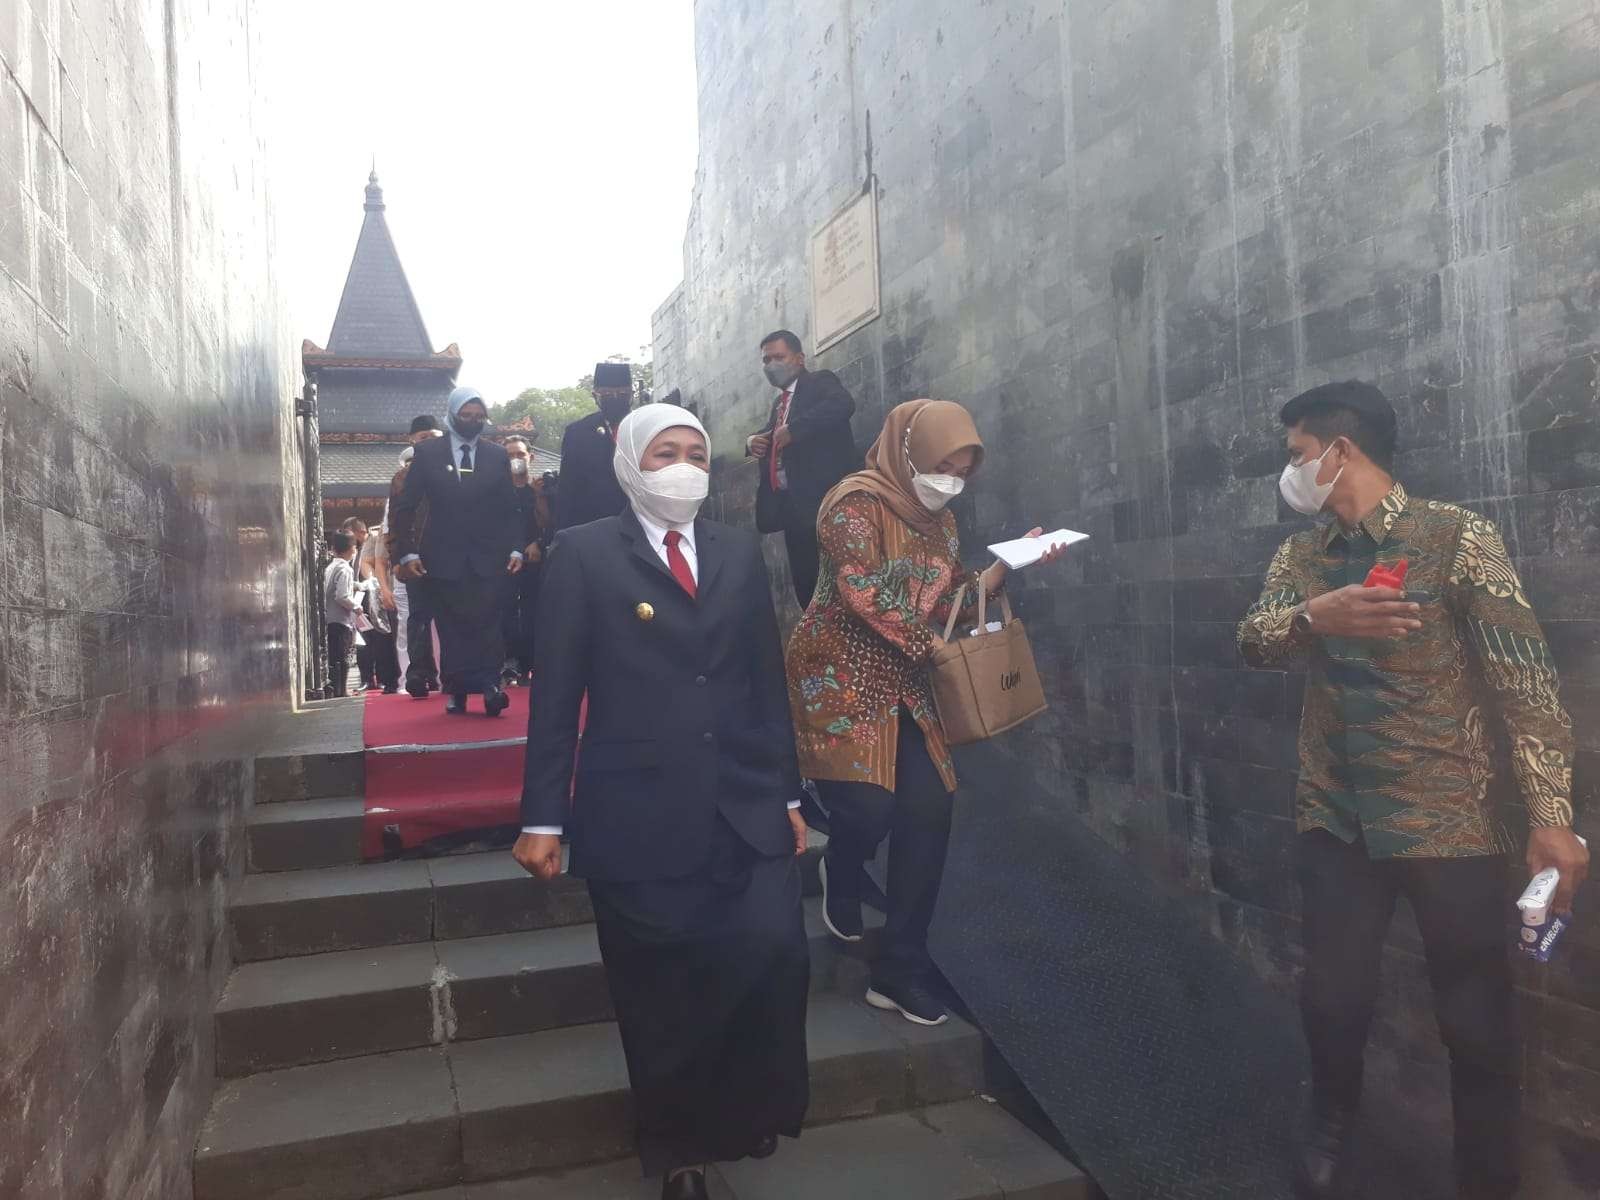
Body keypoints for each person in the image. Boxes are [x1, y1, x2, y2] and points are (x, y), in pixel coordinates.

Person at [1236, 381, 1588, 1200]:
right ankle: (1330, 1121)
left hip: (1450, 819)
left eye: (1297, 455)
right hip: (1337, 816)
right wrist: (1312, 618)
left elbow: (1525, 682)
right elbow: (1252, 638)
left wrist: (1551, 818)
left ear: (1340, 451)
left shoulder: (1456, 538)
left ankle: (1488, 1179)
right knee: (1331, 996)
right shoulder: (1302, 559)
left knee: (1477, 1022)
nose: (1292, 473)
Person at [514, 404, 810, 1200]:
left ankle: (747, 1109)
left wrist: (787, 792)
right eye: (665, 454)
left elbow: (763, 680)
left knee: (772, 950)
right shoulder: (581, 555)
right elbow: (556, 695)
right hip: (637, 813)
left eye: (697, 454)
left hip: (745, 800)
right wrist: (542, 816)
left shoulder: (738, 552)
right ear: (629, 464)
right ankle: (679, 1150)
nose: (684, 468)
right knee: (662, 992)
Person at [786, 399, 1064, 1028]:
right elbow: (864, 588)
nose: (950, 481)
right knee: (867, 808)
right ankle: (842, 861)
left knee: (930, 812)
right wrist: (932, 648)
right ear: (907, 450)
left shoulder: (942, 522)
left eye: (963, 471)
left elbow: (948, 601)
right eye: (942, 465)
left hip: (909, 683)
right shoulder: (851, 502)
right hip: (839, 677)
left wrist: (1001, 570)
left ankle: (900, 967)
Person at [390, 387, 525, 716]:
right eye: (467, 416)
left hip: (488, 555)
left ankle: (491, 686)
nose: (473, 422)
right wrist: (406, 553)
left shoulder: (495, 455)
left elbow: (511, 509)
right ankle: (458, 689)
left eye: (479, 417)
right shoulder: (428, 453)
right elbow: (405, 508)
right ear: (452, 415)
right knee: (452, 625)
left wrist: (517, 548)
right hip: (442, 555)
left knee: (487, 621)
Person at [747, 331, 859, 607]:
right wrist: (753, 441)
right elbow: (773, 433)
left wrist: (796, 430)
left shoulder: (820, 382)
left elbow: (842, 404)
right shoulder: (780, 403)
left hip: (826, 505)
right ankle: (816, 642)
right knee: (807, 587)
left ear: (799, 358)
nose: (771, 365)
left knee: (838, 584)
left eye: (779, 357)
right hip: (793, 511)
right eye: (766, 360)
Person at [387, 419, 445, 695]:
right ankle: (418, 673)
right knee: (418, 617)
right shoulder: (401, 478)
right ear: (411, 440)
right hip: (415, 556)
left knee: (452, 616)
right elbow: (395, 522)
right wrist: (398, 558)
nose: (427, 442)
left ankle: (452, 672)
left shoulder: (452, 470)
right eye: (423, 437)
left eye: (433, 437)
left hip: (450, 554)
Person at [555, 361, 633, 530]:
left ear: (631, 395)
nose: (614, 398)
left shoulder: (645, 426)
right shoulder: (577, 433)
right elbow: (567, 489)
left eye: (622, 393)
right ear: (595, 396)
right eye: (606, 393)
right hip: (593, 527)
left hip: (641, 525)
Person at [500, 435, 553, 684]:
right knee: (506, 612)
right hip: (505, 561)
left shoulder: (542, 491)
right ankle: (510, 662)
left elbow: (554, 524)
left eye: (520, 454)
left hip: (537, 560)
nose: (515, 459)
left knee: (535, 613)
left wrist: (538, 543)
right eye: (510, 455)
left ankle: (532, 663)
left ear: (530, 457)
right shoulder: (496, 494)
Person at [322, 531, 363, 698]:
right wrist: (356, 607)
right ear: (351, 549)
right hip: (340, 619)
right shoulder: (345, 568)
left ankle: (336, 689)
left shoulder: (331, 566)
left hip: (329, 617)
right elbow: (342, 596)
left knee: (333, 656)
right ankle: (342, 690)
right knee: (343, 656)